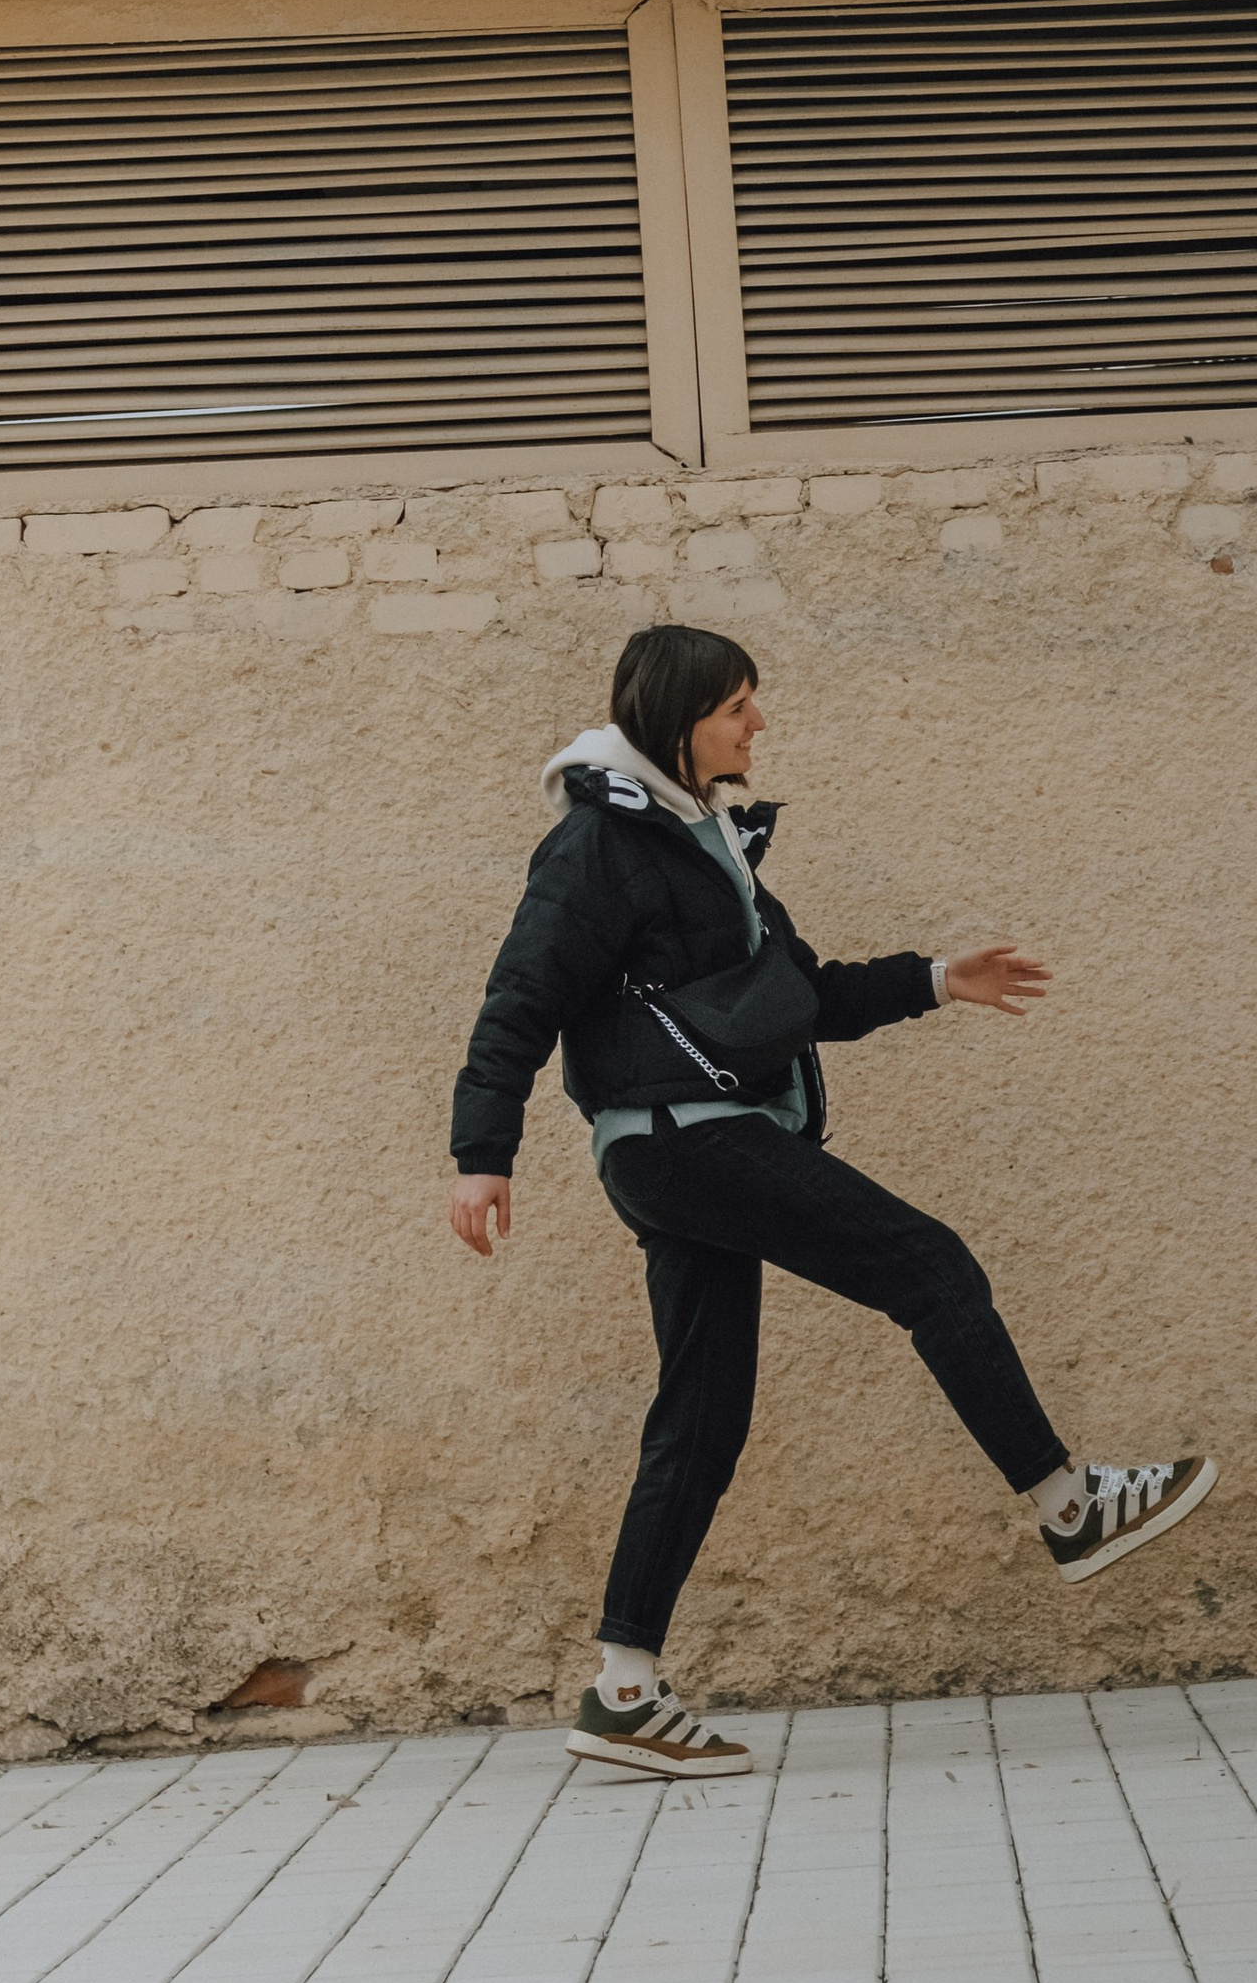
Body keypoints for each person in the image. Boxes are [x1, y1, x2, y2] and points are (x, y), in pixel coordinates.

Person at [448, 622, 1216, 1778]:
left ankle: (623, 1691)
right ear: (676, 718)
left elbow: (793, 999)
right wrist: (481, 1150)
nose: (759, 724)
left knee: (700, 1423)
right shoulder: (600, 842)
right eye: (737, 706)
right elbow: (522, 994)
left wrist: (936, 982)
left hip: (697, 1145)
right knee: (930, 1266)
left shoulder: (702, 838)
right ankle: (1068, 1505)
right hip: (679, 1141)